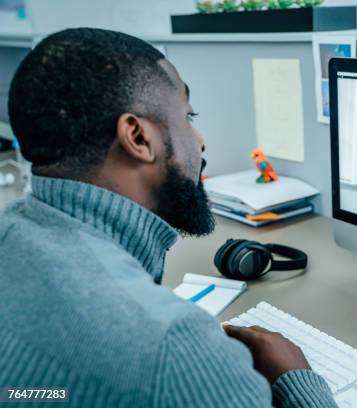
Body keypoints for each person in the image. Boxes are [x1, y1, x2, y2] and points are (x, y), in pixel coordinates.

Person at [0, 28, 336, 407]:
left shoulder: (9, 232)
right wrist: (296, 380)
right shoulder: (172, 345)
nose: (201, 140)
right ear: (138, 137)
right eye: (188, 116)